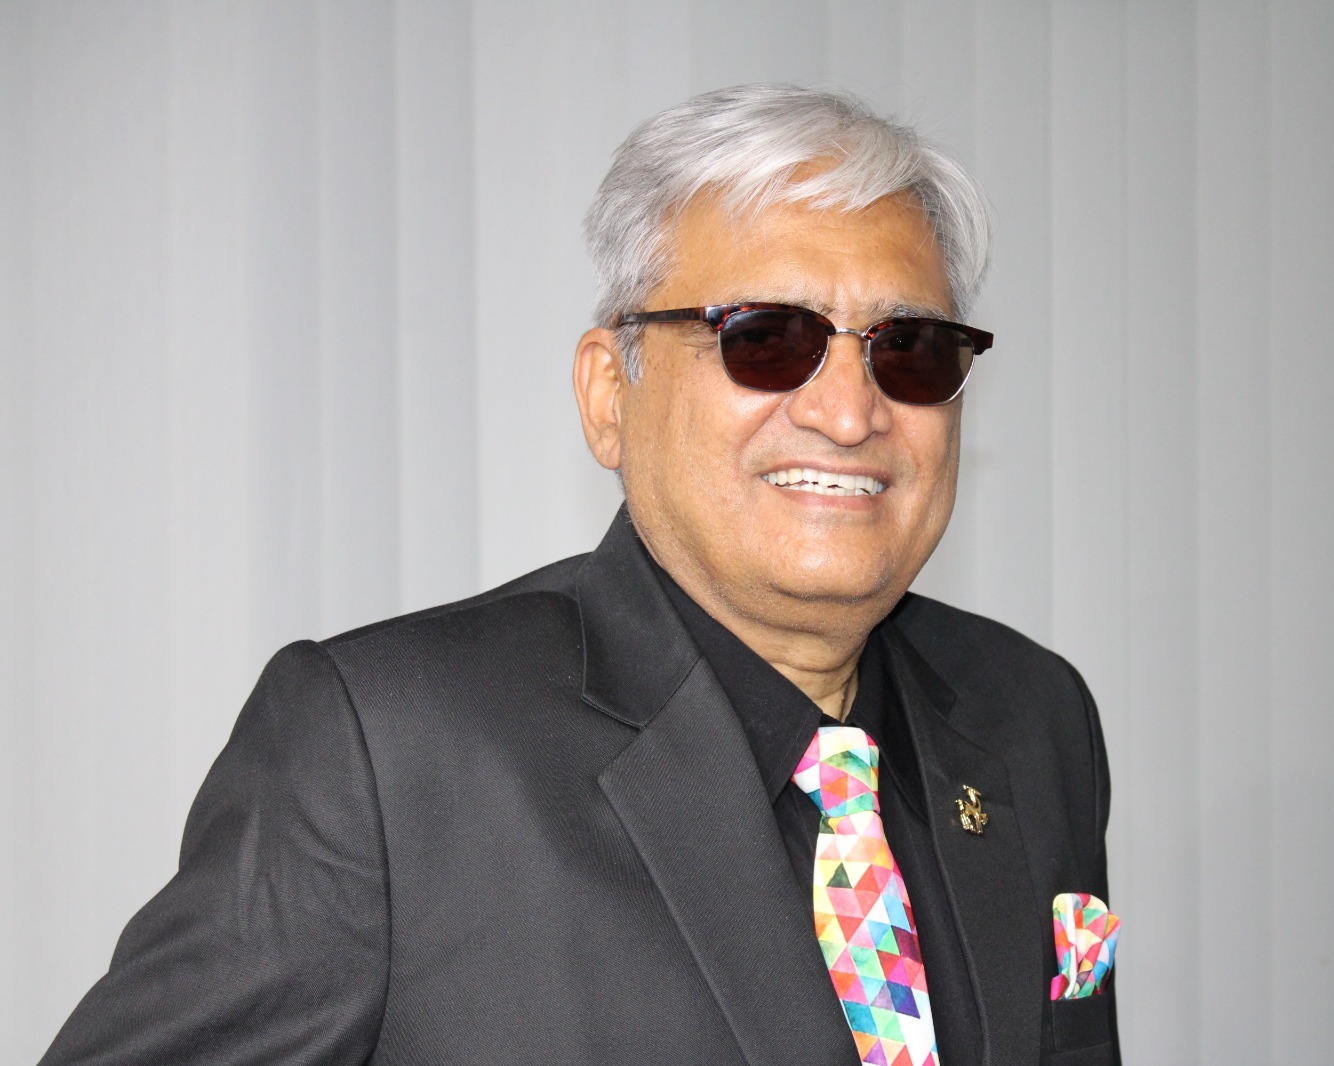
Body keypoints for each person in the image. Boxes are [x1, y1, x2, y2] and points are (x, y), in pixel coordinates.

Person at [40, 84, 1118, 1066]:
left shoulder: (1032, 716)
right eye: (768, 338)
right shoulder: (387, 753)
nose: (848, 412)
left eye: (910, 348)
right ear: (609, 396)